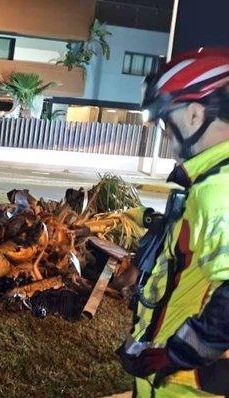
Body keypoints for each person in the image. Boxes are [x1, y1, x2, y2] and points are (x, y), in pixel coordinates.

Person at [118, 47, 229, 397]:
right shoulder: (210, 181)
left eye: (167, 121)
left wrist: (172, 356)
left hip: (186, 388)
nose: (165, 134)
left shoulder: (218, 190)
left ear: (196, 115)